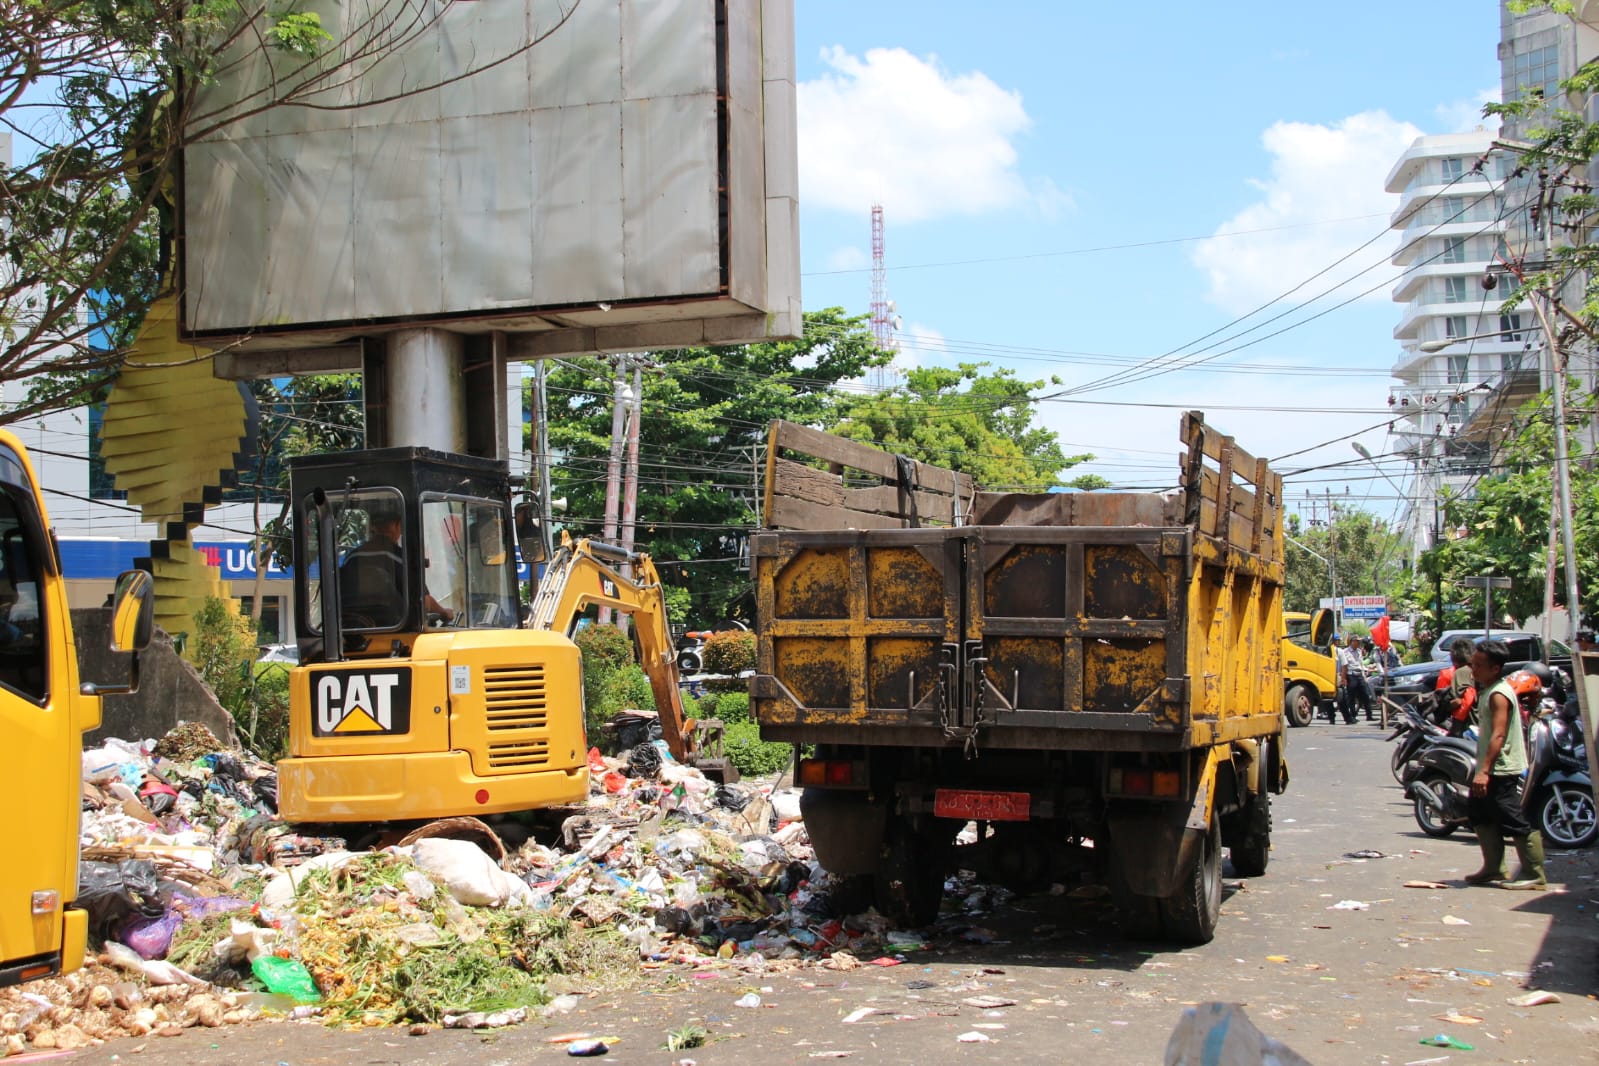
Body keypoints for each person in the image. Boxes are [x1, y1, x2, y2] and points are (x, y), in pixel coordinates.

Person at [1463, 638, 1545, 890]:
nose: (1473, 669)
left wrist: (1484, 771)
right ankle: (1493, 868)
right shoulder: (1490, 689)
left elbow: (1498, 734)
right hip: (1490, 765)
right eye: (1472, 663)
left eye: (1478, 665)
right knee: (1478, 812)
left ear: (1495, 668)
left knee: (1512, 817)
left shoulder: (1499, 694)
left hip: (1501, 766)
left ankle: (1534, 874)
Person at [339, 507, 454, 627]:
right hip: (394, 631)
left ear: (372, 526)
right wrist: (443, 611)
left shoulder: (351, 558)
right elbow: (424, 601)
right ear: (399, 525)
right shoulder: (400, 558)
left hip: (350, 631)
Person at [1337, 635, 1373, 724]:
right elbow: (1343, 665)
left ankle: (1369, 715)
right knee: (1351, 697)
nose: (1358, 643)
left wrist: (1364, 675)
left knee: (1365, 695)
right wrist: (1343, 677)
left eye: (1358, 641)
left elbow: (1360, 663)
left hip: (1359, 674)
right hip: (1351, 675)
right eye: (1356, 641)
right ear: (1352, 642)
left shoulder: (1359, 651)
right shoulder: (1345, 652)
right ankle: (1353, 715)